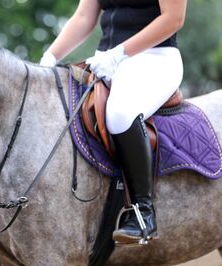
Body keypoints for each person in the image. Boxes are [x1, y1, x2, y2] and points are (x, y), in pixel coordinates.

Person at [40, 0, 187, 244]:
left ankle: (143, 213)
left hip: (155, 57)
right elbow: (83, 18)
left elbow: (173, 19)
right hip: (106, 59)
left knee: (120, 113)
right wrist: (49, 58)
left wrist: (119, 54)